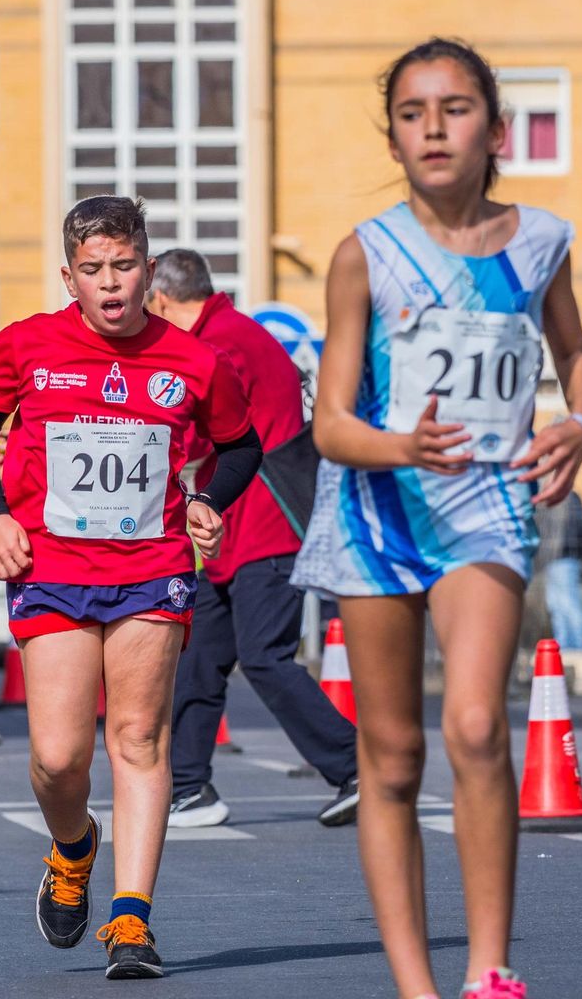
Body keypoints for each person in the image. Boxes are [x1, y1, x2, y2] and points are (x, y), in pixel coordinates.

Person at [297, 38, 582, 999]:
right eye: (413, 112)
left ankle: (490, 972)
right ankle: (416, 987)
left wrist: (577, 423)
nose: (433, 126)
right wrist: (403, 446)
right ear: (393, 136)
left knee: (474, 726)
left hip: (487, 511)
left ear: (495, 129)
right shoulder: (366, 254)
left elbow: (576, 351)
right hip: (379, 513)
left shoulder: (543, 240)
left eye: (455, 108)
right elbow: (330, 424)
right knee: (391, 755)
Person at [0, 194, 262, 980]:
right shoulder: (24, 346)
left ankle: (132, 921)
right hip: (51, 569)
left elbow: (241, 448)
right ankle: (73, 851)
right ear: (70, 275)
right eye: (92, 270)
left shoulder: (194, 359)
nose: (110, 283)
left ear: (148, 268)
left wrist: (205, 501)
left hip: (152, 568)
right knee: (60, 760)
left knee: (136, 738)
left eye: (124, 266)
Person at [148, 248, 360, 829]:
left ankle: (356, 765)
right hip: (232, 533)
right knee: (200, 658)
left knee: (264, 656)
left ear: (162, 299)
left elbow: (196, 429)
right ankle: (190, 786)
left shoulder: (222, 346)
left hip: (263, 529)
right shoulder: (232, 333)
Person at [541, 493, 582, 650]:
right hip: (551, 559)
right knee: (556, 604)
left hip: (565, 556)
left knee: (569, 602)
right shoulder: (550, 497)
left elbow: (573, 529)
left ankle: (578, 645)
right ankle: (563, 645)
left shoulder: (569, 499)